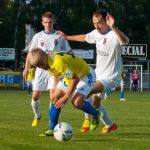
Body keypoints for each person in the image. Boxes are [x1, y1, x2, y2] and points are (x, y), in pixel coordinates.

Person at [59, 9, 129, 134]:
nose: (96, 26)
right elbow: (84, 37)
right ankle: (109, 125)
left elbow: (125, 41)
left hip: (110, 78)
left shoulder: (114, 34)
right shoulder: (96, 33)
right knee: (95, 104)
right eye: (94, 23)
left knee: (82, 93)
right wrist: (67, 37)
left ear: (107, 21)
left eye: (100, 23)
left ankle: (88, 119)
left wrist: (114, 28)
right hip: (97, 75)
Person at [28, 48, 99, 136]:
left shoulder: (58, 63)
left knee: (76, 102)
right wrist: (55, 85)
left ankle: (95, 113)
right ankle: (52, 129)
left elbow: (75, 79)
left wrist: (66, 97)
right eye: (39, 66)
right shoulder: (45, 59)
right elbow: (55, 72)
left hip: (86, 75)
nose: (42, 67)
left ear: (44, 56)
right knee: (54, 97)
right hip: (73, 74)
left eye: (42, 64)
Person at [23, 12, 71, 127]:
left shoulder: (60, 36)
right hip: (41, 70)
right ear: (42, 23)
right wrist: (26, 68)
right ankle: (37, 115)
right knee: (35, 96)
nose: (48, 24)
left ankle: (52, 123)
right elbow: (30, 54)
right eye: (45, 22)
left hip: (55, 70)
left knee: (53, 95)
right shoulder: (38, 36)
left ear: (54, 22)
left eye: (50, 22)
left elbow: (69, 51)